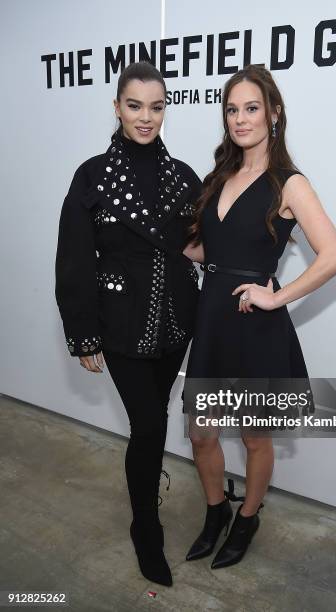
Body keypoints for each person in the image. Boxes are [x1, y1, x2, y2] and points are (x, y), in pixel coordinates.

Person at [182, 64, 336, 569]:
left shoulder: (289, 183)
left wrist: (278, 296)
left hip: (256, 327)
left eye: (251, 108)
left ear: (273, 114)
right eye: (232, 110)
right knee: (201, 432)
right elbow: (204, 247)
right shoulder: (220, 176)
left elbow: (334, 255)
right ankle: (216, 512)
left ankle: (248, 517)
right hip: (213, 319)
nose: (240, 119)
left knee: (255, 435)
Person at [55, 61, 202, 587]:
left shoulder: (184, 175)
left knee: (153, 419)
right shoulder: (92, 174)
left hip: (175, 324)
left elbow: (198, 247)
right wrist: (83, 332)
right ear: (117, 107)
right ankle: (146, 525)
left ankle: (145, 494)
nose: (146, 117)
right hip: (118, 327)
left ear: (166, 110)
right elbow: (74, 257)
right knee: (149, 424)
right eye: (135, 105)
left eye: (156, 107)